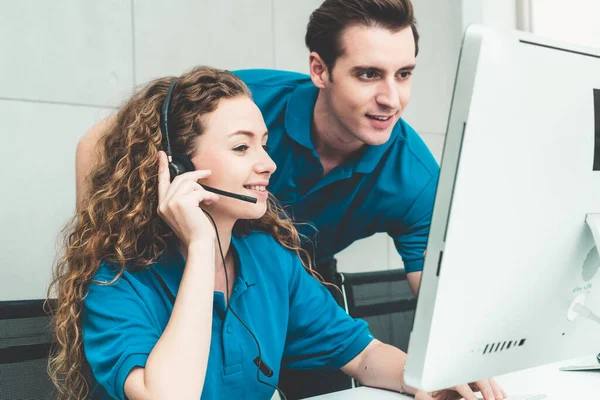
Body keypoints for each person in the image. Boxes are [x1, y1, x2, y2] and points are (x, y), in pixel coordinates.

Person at [48, 66, 506, 400]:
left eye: (263, 143)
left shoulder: (269, 258)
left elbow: (362, 356)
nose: (267, 163)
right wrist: (202, 244)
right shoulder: (118, 281)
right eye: (242, 147)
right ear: (178, 168)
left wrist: (428, 376)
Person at [76, 0, 435, 298]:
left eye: (403, 74)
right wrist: (96, 269)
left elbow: (436, 299)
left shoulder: (416, 177)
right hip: (186, 262)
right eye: (368, 74)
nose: (391, 99)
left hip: (299, 276)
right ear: (319, 70)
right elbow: (94, 144)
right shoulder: (245, 99)